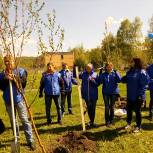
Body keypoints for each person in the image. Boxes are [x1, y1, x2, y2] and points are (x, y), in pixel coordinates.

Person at [0, 55, 35, 150]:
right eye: (5, 61)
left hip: (19, 100)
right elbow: (2, 87)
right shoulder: (2, 74)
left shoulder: (20, 71)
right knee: (13, 121)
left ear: (13, 61)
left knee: (24, 119)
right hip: (8, 101)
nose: (7, 63)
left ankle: (30, 140)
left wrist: (14, 78)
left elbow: (23, 83)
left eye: (9, 61)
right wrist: (5, 79)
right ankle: (17, 138)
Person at [122, 58, 149, 133]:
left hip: (138, 96)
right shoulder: (129, 72)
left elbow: (144, 85)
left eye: (132, 62)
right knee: (129, 111)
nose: (131, 63)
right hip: (130, 95)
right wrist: (124, 79)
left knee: (137, 111)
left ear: (136, 62)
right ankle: (128, 123)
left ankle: (138, 126)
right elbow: (125, 80)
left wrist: (140, 95)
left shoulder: (142, 72)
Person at [99, 62, 121, 127]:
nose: (109, 68)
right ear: (105, 67)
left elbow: (119, 80)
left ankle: (111, 120)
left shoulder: (114, 73)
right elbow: (100, 81)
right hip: (105, 92)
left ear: (112, 66)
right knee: (107, 107)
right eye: (107, 66)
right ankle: (107, 122)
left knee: (112, 107)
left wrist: (116, 71)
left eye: (110, 66)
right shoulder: (103, 74)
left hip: (113, 92)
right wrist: (100, 72)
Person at [79, 63, 99, 128]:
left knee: (93, 109)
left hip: (93, 95)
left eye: (89, 68)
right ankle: (91, 121)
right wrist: (74, 68)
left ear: (92, 68)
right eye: (87, 68)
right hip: (86, 95)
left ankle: (92, 121)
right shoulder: (83, 74)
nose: (88, 69)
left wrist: (92, 81)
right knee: (89, 109)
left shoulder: (95, 74)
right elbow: (75, 75)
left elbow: (97, 84)